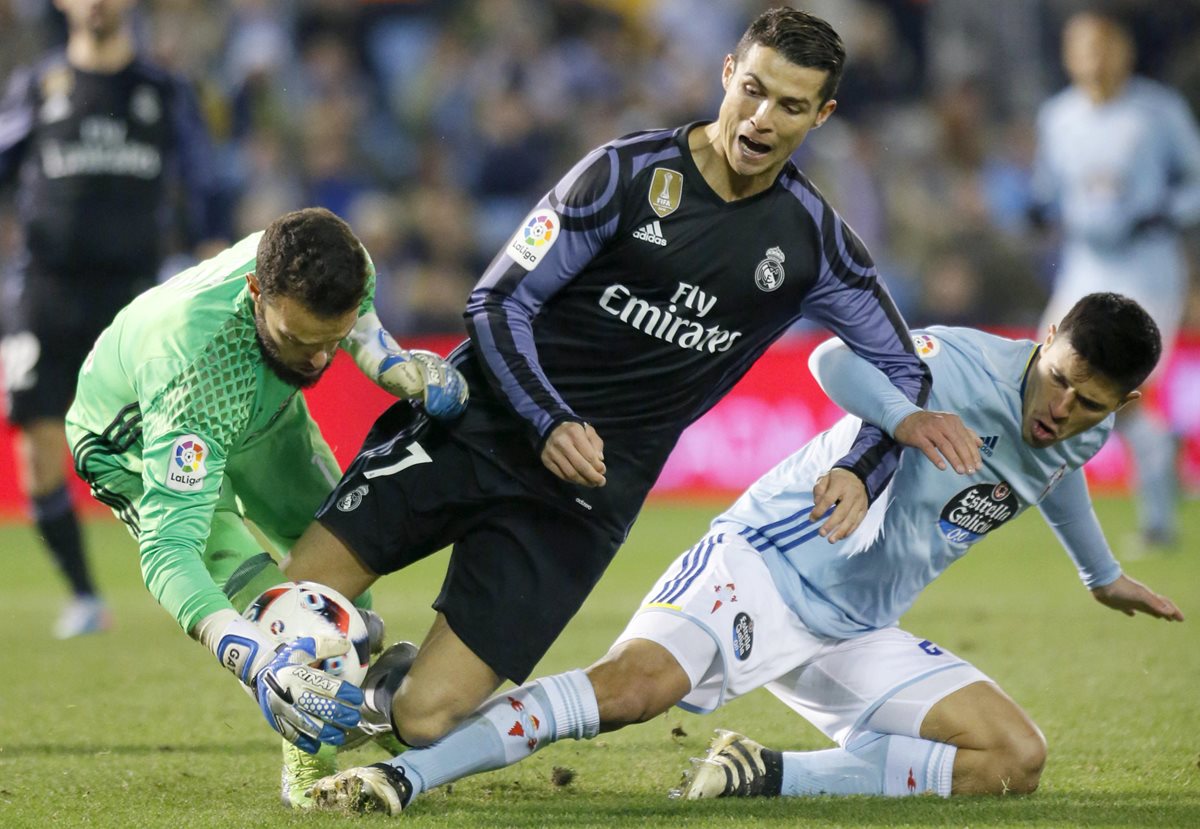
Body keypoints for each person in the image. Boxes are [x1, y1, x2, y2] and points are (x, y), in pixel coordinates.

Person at [279, 5, 970, 799]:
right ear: (726, 76)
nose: (761, 117)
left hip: (583, 495)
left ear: (823, 114)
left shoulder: (813, 241)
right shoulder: (626, 174)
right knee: (295, 602)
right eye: (752, 89)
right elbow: (499, 300)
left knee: (426, 717)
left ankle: (380, 688)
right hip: (480, 424)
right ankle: (309, 726)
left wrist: (865, 464)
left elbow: (907, 371)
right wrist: (547, 417)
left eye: (789, 105)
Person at [305, 292, 1184, 814]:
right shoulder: (955, 363)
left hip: (854, 624)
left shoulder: (1070, 429)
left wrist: (1099, 575)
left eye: (1089, 403)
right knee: (636, 689)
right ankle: (407, 775)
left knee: (1013, 761)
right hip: (765, 561)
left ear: (1122, 403)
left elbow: (1051, 472)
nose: (1061, 408)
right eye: (1060, 378)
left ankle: (761, 772)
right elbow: (835, 359)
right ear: (1046, 339)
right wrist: (907, 417)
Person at [64, 207, 467, 792]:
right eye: (299, 340)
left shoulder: (344, 260)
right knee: (281, 618)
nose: (319, 361)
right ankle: (308, 769)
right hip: (141, 439)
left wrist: (397, 368)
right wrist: (252, 658)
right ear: (256, 290)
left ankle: (343, 696)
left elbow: (354, 324)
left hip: (264, 408)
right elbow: (170, 552)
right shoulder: (193, 370)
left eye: (328, 342)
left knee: (345, 556)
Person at [0, 0, 223, 638]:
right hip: (44, 288)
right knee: (38, 447)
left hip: (134, 295)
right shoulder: (38, 88)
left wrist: (208, 252)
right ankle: (84, 594)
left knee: (168, 439)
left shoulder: (162, 90)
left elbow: (203, 181)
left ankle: (203, 574)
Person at [1031, 8, 1200, 553]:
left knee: (1123, 388)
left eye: (1103, 46)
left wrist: (1166, 213)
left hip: (1147, 269)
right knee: (1041, 375)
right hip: (1085, 267)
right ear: (1067, 54)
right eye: (1082, 47)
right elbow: (1047, 191)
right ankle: (1156, 450)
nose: (1093, 58)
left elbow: (1196, 183)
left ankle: (1157, 522)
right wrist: (1035, 210)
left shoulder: (1158, 112)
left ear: (1124, 50)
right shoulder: (1057, 118)